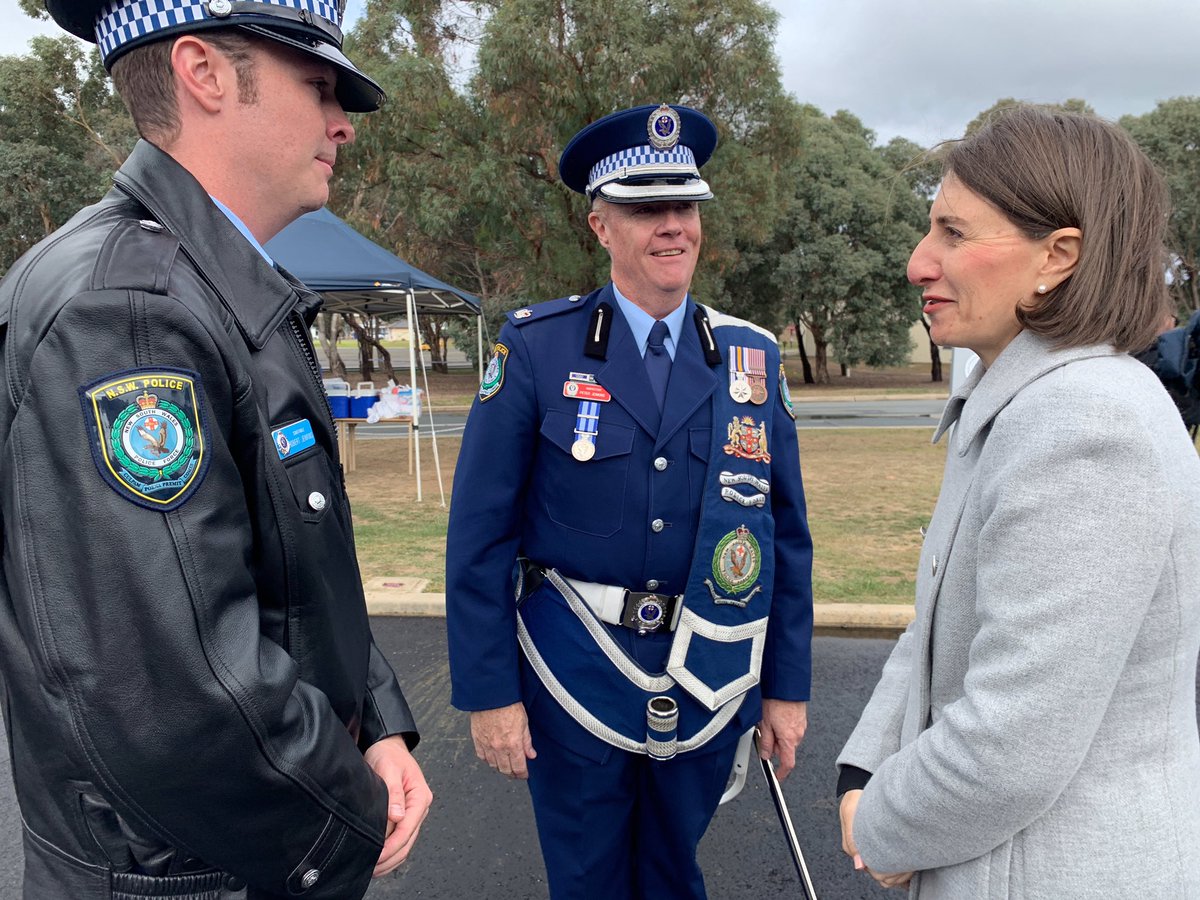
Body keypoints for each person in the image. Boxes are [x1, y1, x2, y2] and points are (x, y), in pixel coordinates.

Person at [0, 1, 433, 897]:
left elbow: (292, 568)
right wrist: (347, 818)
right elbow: (176, 695)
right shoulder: (128, 310)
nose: (342, 123)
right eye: (318, 87)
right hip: (194, 874)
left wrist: (376, 721)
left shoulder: (205, 286)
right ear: (202, 73)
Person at [445, 103, 814, 899]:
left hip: (708, 668)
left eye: (685, 206)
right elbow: (479, 536)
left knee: (675, 872)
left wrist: (786, 687)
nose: (672, 225)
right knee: (587, 879)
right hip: (571, 665)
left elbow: (783, 536)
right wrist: (489, 695)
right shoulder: (537, 348)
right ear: (601, 225)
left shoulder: (749, 358)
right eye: (647, 208)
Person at [837, 105, 1200, 897]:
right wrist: (862, 765)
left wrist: (879, 822)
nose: (918, 263)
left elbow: (1010, 745)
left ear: (1058, 256)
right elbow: (937, 625)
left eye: (954, 235)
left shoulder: (1086, 425)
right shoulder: (1024, 399)